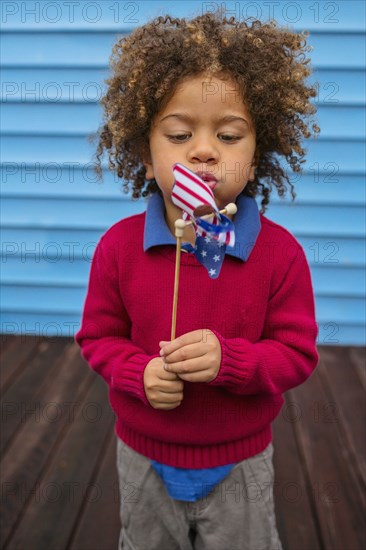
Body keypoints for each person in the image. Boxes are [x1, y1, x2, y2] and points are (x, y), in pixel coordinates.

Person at [75, 12, 320, 550]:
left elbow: (297, 355)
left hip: (241, 458)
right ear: (145, 154)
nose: (204, 150)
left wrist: (232, 361)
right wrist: (137, 373)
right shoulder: (118, 248)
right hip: (143, 453)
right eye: (180, 134)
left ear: (257, 157)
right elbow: (97, 339)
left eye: (229, 135)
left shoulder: (279, 255)